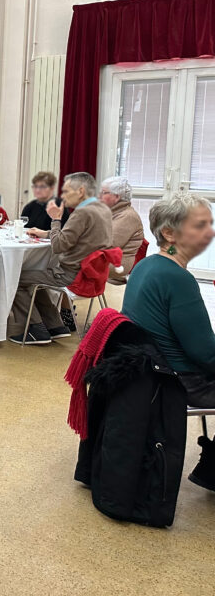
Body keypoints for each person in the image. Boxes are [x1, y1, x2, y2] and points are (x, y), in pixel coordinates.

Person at [122, 193, 215, 490]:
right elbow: (206, 354)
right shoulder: (177, 278)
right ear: (169, 233)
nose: (210, 232)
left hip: (149, 369)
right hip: (177, 380)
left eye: (210, 224)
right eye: (199, 225)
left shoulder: (146, 266)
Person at [13, 172, 112, 344]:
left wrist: (56, 220)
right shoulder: (102, 208)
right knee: (37, 277)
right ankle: (55, 325)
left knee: (14, 279)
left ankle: (36, 329)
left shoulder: (82, 213)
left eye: (66, 192)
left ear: (80, 191)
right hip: (92, 273)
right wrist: (45, 233)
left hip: (71, 275)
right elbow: (74, 237)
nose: (63, 197)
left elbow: (59, 246)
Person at [100, 176, 145, 284]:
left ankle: (62, 300)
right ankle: (60, 300)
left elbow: (106, 245)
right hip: (102, 259)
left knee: (60, 264)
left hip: (114, 265)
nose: (100, 196)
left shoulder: (127, 216)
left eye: (104, 193)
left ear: (116, 197)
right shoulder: (111, 213)